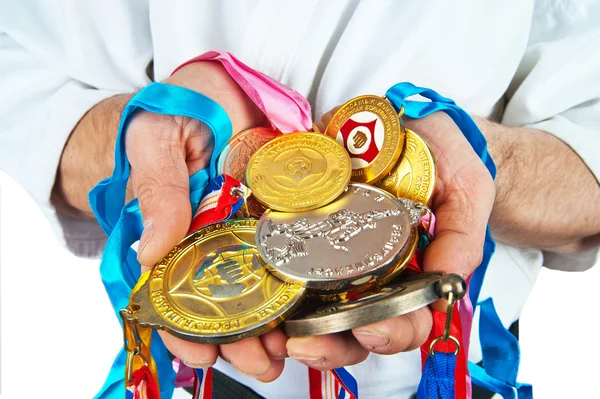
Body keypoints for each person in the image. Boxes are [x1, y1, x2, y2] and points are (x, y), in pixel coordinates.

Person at [1, 1, 599, 398]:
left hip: (445, 366)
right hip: (203, 372)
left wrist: (484, 160)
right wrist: (165, 139)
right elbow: (17, 62)